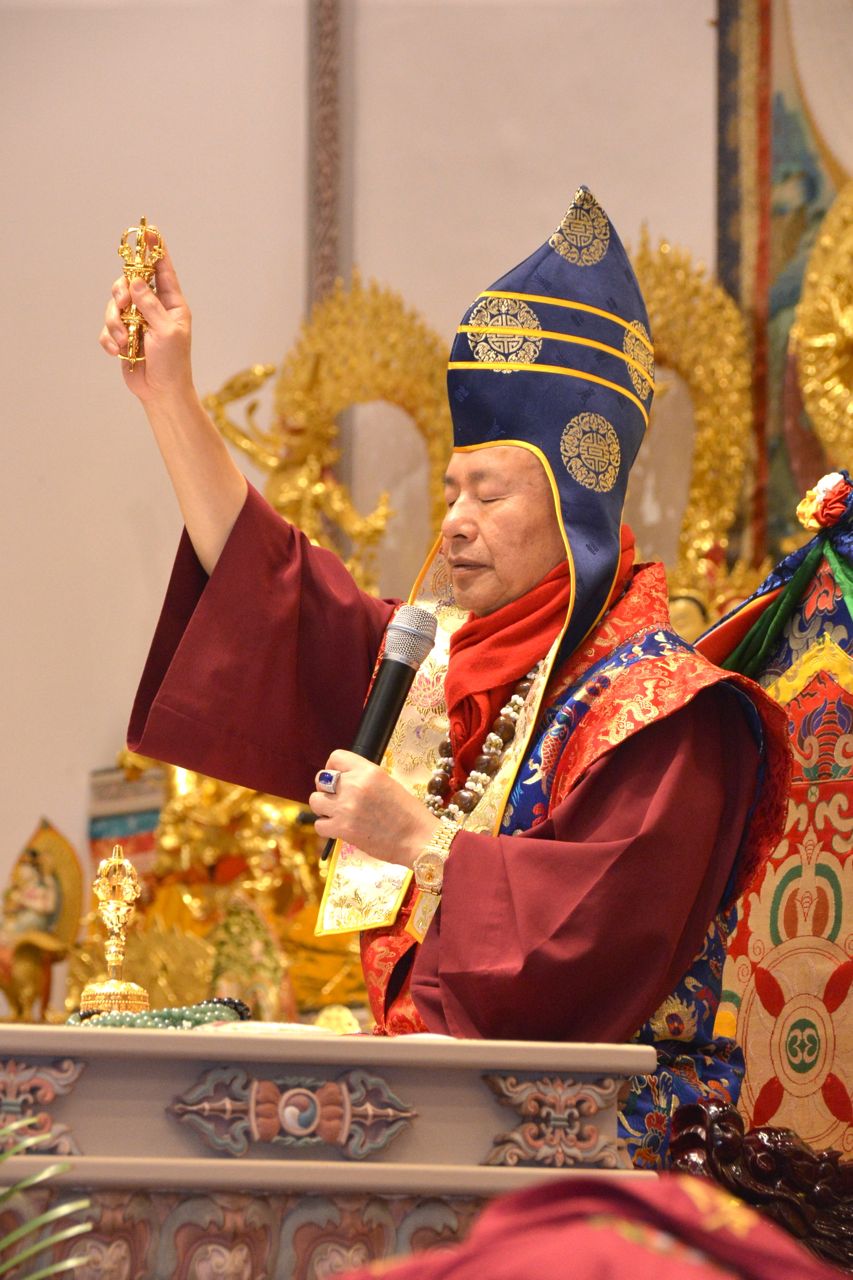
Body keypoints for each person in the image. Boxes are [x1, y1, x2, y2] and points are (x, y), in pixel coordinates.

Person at [100, 186, 789, 1166]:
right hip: (439, 1119)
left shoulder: (666, 711)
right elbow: (277, 595)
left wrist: (420, 842)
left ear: (573, 503)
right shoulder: (434, 664)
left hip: (611, 1155)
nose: (453, 521)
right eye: (450, 490)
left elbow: (589, 947)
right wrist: (169, 396)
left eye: (488, 493)